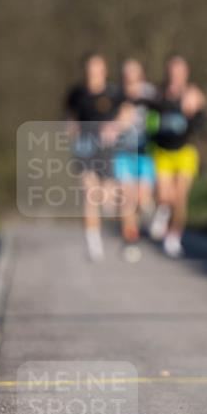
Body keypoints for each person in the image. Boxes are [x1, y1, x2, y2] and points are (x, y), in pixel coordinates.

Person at [65, 53, 123, 262]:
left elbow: (126, 114)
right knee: (89, 192)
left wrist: (116, 126)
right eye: (89, 69)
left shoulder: (114, 93)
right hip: (84, 147)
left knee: (106, 198)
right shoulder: (76, 93)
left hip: (107, 149)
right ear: (85, 71)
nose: (93, 73)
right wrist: (70, 130)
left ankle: (117, 220)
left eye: (97, 69)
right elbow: (69, 118)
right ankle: (93, 242)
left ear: (104, 71)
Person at [148, 55, 206, 258]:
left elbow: (201, 124)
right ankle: (162, 213)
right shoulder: (158, 94)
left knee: (180, 197)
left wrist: (194, 111)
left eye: (179, 71)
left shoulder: (193, 94)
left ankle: (173, 236)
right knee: (165, 195)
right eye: (172, 71)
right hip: (163, 150)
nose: (175, 75)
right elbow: (149, 122)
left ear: (185, 73)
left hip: (185, 150)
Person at [111, 59, 157, 262]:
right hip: (122, 153)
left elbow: (161, 112)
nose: (129, 78)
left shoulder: (150, 93)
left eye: (133, 74)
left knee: (142, 199)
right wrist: (119, 121)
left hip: (144, 151)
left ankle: (146, 217)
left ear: (140, 75)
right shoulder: (115, 95)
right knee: (127, 200)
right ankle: (130, 240)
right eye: (126, 74)